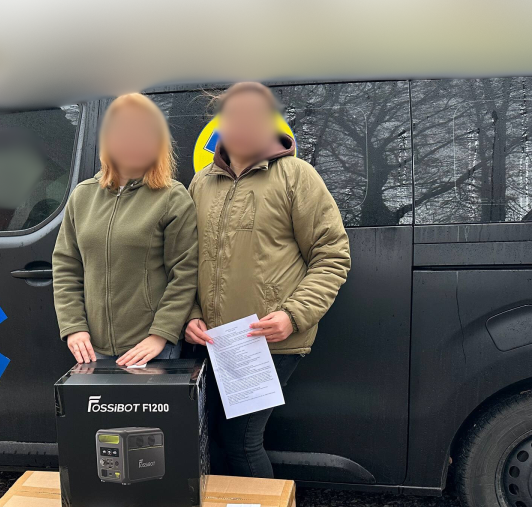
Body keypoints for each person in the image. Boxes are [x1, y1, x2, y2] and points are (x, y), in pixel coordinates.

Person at [185, 82, 351, 477]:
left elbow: (332, 256)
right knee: (215, 439)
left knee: (241, 441)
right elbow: (185, 260)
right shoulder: (201, 183)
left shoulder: (297, 176)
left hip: (266, 342)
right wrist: (190, 314)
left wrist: (293, 316)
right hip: (213, 342)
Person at [53, 93, 198, 366]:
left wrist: (161, 334)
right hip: (92, 347)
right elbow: (66, 266)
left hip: (152, 348)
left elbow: (185, 273)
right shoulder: (82, 196)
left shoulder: (172, 197)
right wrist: (74, 327)